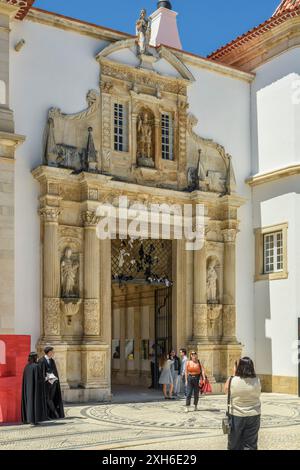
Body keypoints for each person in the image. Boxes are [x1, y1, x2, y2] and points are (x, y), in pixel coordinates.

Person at [224, 357, 261, 451]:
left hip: (236, 415)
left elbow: (226, 391)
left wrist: (233, 374)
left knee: (234, 444)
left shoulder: (233, 380)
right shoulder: (257, 380)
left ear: (239, 367)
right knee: (251, 444)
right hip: (254, 415)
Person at [38, 346, 65, 420]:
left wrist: (55, 378)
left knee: (51, 399)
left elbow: (54, 371)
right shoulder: (41, 361)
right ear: (49, 352)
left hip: (53, 384)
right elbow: (40, 374)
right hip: (46, 385)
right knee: (48, 399)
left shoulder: (52, 360)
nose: (53, 353)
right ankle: (54, 413)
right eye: (52, 352)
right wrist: (47, 378)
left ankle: (50, 414)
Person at [21, 352, 48, 425]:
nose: (37, 358)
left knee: (29, 403)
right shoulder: (36, 366)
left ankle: (28, 419)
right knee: (34, 403)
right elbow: (39, 379)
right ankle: (34, 419)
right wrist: (45, 378)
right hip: (35, 390)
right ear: (35, 358)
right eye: (37, 357)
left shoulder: (26, 367)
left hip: (28, 390)